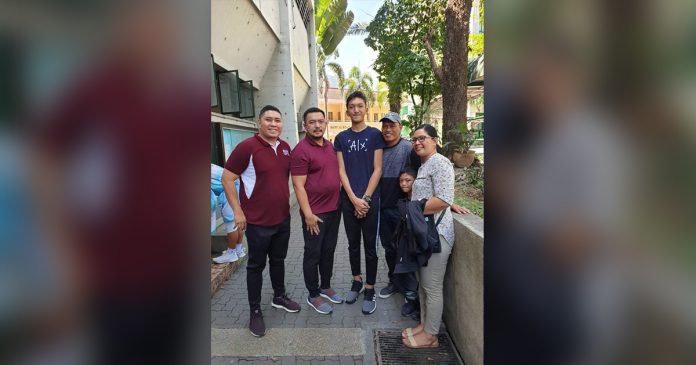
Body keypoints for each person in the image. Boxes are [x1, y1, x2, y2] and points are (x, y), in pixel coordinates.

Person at [222, 105, 301, 338]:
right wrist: (238, 211)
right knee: (256, 266)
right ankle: (255, 310)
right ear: (259, 123)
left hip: (283, 218)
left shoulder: (286, 148)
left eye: (278, 120)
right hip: (256, 222)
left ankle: (279, 296)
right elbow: (227, 179)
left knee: (279, 260)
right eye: (268, 120)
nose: (274, 124)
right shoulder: (247, 147)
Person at [401, 124, 455, 349]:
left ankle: (431, 335)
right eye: (414, 139)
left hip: (437, 235)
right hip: (423, 234)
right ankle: (424, 325)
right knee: (423, 285)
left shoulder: (440, 163)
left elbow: (443, 199)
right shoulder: (424, 165)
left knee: (432, 287)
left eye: (422, 138)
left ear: (434, 140)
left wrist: (411, 210)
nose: (417, 142)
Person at [333, 91, 384, 315]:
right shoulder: (341, 138)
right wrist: (353, 199)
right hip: (349, 200)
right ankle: (356, 281)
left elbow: (378, 169)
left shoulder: (375, 135)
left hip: (371, 200)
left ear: (366, 109)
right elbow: (341, 171)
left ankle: (370, 287)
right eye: (352, 106)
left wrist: (365, 199)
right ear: (347, 111)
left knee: (370, 246)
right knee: (353, 244)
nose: (356, 110)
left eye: (360, 106)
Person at [291, 107, 344, 315]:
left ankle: (326, 286)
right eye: (312, 122)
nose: (317, 125)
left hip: (334, 210)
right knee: (313, 254)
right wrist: (308, 215)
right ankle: (313, 294)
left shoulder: (330, 147)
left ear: (325, 123)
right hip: (315, 215)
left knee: (328, 251)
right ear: (305, 126)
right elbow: (298, 186)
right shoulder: (300, 151)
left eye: (321, 121)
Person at [211, 163, 246, 263]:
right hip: (236, 188)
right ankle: (238, 249)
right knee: (237, 222)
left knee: (231, 224)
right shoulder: (212, 167)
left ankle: (231, 253)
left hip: (228, 192)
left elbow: (211, 202)